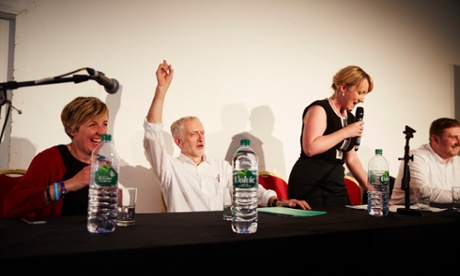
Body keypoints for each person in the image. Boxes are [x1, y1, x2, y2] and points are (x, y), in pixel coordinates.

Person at [143, 60, 311, 212]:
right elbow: (153, 135)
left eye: (202, 133)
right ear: (178, 142)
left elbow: (250, 188)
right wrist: (161, 90)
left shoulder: (221, 168)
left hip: (221, 233)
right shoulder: (169, 169)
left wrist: (277, 202)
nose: (201, 138)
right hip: (187, 235)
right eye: (193, 134)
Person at [3, 96, 109, 217]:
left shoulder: (104, 163)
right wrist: (69, 185)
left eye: (104, 124)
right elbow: (11, 205)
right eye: (92, 124)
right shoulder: (50, 159)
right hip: (56, 234)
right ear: (71, 129)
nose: (101, 131)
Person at [287, 65, 373, 207]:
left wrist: (372, 191)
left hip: (335, 183)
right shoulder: (320, 109)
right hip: (309, 183)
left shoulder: (351, 119)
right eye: (360, 93)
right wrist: (346, 132)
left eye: (365, 94)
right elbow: (310, 147)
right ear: (343, 88)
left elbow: (351, 159)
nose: (362, 99)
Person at [390, 117, 460, 205]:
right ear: (435, 140)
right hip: (408, 215)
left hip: (443, 213)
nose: (459, 142)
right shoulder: (416, 157)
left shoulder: (457, 161)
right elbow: (423, 194)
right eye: (454, 137)